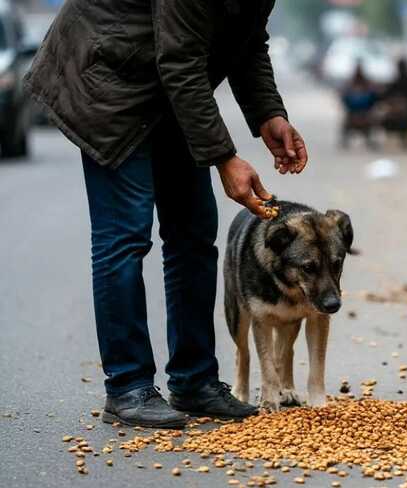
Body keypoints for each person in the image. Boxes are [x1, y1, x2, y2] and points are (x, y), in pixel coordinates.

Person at [23, 0, 308, 428]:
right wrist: (225, 158)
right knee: (125, 235)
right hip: (109, 78)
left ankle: (194, 380)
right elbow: (181, 61)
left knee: (194, 231)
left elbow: (246, 40)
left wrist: (270, 113)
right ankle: (127, 386)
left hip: (165, 84)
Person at [380, 58, 407, 149]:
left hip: (405, 111)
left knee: (404, 120)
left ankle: (405, 138)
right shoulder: (398, 81)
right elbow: (386, 94)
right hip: (396, 110)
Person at [340, 63, 379, 149]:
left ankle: (369, 139)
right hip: (353, 113)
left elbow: (373, 98)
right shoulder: (350, 85)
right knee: (347, 121)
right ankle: (345, 140)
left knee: (371, 119)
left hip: (364, 113)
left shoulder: (367, 85)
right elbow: (345, 99)